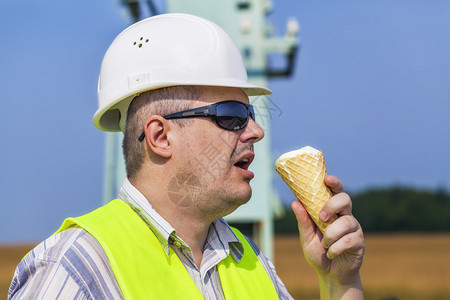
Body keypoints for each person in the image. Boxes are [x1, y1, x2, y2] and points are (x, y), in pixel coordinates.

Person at [8, 13, 364, 299]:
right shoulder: (75, 267)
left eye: (251, 114)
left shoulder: (249, 260)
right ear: (160, 137)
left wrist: (339, 283)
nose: (256, 131)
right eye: (231, 116)